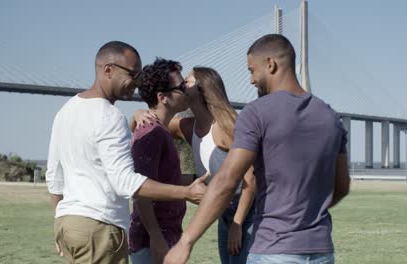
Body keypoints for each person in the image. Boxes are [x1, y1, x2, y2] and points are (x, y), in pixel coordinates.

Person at [164, 34, 350, 264]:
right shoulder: (330, 116)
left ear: (270, 64)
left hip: (274, 251)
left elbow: (226, 181)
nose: (251, 80)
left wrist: (186, 242)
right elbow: (341, 186)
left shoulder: (256, 113)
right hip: (322, 252)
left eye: (252, 70)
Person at [45, 41, 206, 264]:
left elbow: (54, 177)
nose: (138, 82)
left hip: (70, 224)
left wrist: (62, 219)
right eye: (133, 73)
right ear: (108, 70)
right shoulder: (110, 116)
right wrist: (186, 193)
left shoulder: (66, 111)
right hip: (99, 227)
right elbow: (125, 183)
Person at [132, 66, 256, 264]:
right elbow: (150, 124)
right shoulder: (187, 127)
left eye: (186, 83)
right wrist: (138, 113)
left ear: (202, 89)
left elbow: (251, 177)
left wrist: (237, 224)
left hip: (246, 213)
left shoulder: (226, 127)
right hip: (223, 210)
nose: (181, 86)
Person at [128, 58, 191, 264]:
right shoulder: (152, 132)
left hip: (164, 236)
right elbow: (141, 191)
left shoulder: (159, 130)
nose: (186, 90)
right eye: (181, 87)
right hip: (153, 243)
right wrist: (156, 237)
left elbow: (163, 179)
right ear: (162, 97)